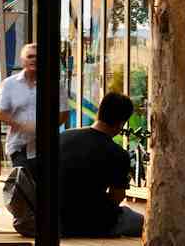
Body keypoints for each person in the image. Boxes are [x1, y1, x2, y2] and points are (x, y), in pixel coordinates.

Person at [61, 91, 144, 238]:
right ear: (122, 122)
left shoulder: (64, 137)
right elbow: (117, 197)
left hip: (54, 220)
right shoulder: (118, 154)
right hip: (94, 223)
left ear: (99, 112)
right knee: (144, 223)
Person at [0, 44, 40, 165]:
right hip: (19, 147)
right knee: (24, 182)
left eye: (37, 56)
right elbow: (0, 113)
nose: (34, 59)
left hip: (43, 147)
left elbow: (63, 112)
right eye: (30, 56)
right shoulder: (10, 84)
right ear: (23, 60)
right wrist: (22, 126)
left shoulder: (54, 84)